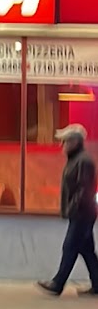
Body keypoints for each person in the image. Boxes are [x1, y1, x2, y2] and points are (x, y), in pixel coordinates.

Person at [37, 123, 98, 296]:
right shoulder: (76, 160)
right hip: (83, 212)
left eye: (65, 141)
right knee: (86, 250)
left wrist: (72, 208)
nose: (61, 145)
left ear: (75, 142)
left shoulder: (82, 161)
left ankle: (58, 283)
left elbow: (84, 190)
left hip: (82, 213)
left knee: (70, 247)